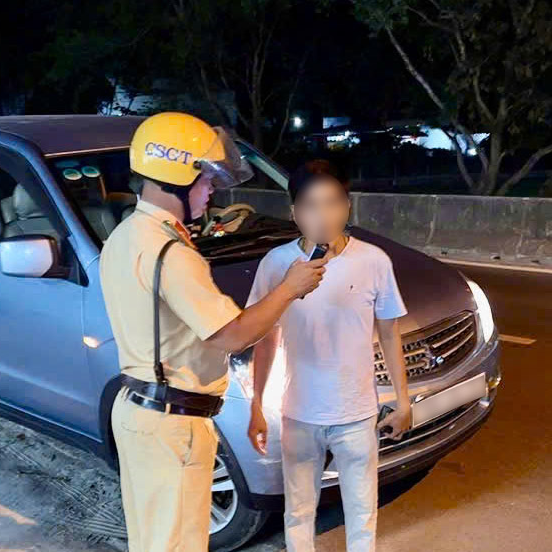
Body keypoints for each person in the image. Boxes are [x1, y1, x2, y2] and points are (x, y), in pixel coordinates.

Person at [100, 112, 328, 552]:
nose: (213, 189)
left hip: (143, 411)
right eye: (205, 180)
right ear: (175, 178)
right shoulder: (170, 253)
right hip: (174, 424)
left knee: (154, 541)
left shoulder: (128, 234)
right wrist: (290, 289)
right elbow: (233, 335)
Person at [246, 160, 412, 552]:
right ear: (294, 212)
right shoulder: (276, 264)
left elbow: (389, 333)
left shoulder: (374, 261)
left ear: (348, 206)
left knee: (362, 513)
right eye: (310, 205)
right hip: (299, 414)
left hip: (357, 415)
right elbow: (264, 337)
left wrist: (402, 402)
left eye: (333, 202)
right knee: (299, 512)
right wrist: (256, 404)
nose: (323, 216)